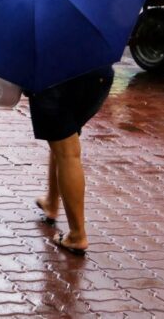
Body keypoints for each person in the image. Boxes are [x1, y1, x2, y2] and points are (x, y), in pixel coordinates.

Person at [31, 66, 114, 256]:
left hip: (54, 83)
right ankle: (51, 202)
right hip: (98, 78)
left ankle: (77, 235)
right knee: (62, 142)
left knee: (68, 153)